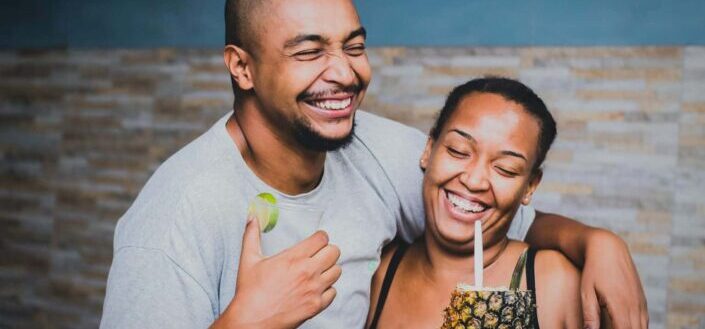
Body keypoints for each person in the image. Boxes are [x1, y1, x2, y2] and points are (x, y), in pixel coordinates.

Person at [100, 1, 647, 328]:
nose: (343, 72)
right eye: (309, 52)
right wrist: (244, 322)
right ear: (242, 67)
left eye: (354, 46)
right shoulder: (177, 213)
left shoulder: (375, 150)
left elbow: (493, 215)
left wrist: (599, 243)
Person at [367, 77, 581, 328]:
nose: (474, 180)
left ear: (530, 186)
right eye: (458, 150)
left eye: (505, 169)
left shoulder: (554, 281)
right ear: (429, 150)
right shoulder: (380, 273)